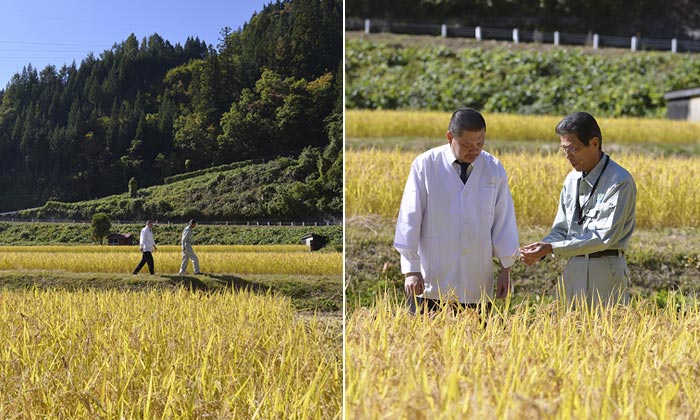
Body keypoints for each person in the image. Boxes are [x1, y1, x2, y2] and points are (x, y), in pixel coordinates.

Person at [394, 108, 519, 313]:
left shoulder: (494, 168)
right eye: (467, 144)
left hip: (476, 283)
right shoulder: (425, 165)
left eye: (480, 143)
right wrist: (411, 270)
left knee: (478, 343)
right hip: (431, 283)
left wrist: (506, 269)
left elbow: (503, 221)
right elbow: (409, 218)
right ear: (450, 137)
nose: (475, 150)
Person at [519, 112, 636, 307]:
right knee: (569, 333)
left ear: (594, 143)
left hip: (605, 271)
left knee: (608, 333)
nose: (568, 156)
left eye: (574, 148)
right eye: (564, 149)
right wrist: (543, 247)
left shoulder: (620, 181)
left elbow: (603, 237)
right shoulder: (571, 179)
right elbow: (562, 229)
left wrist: (552, 248)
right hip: (573, 268)